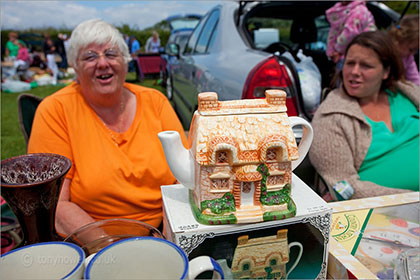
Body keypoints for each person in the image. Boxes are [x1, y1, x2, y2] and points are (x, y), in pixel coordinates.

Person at [28, 19, 188, 236]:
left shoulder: (155, 102)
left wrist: (173, 236)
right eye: (90, 57)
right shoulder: (56, 110)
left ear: (125, 61)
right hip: (91, 239)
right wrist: (109, 247)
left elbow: (185, 177)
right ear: (75, 67)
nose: (102, 63)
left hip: (163, 229)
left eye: (111, 54)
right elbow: (55, 206)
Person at [309, 30, 419, 199]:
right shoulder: (331, 117)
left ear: (386, 72)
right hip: (386, 213)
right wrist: (411, 199)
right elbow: (343, 187)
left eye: (366, 66)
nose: (354, 71)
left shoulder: (408, 94)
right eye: (350, 63)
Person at [326, 1, 376, 70]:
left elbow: (349, 34)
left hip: (354, 57)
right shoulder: (338, 9)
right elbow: (334, 31)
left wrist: (337, 51)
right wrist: (331, 51)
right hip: (345, 57)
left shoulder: (359, 11)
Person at [388, 14, 419, 86]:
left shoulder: (408, 58)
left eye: (416, 50)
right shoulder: (383, 50)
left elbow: (414, 78)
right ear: (399, 39)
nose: (413, 53)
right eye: (411, 49)